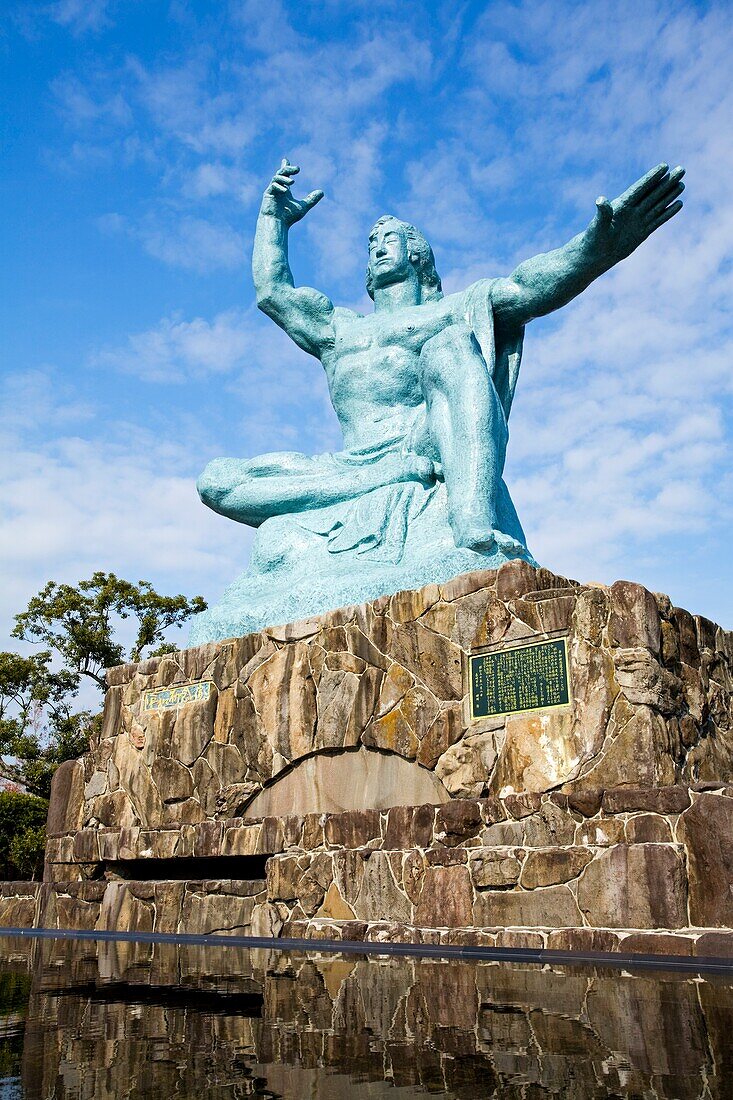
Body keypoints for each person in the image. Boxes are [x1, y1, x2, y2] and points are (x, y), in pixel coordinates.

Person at [198, 157, 684, 561]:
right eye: (370, 244)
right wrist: (272, 222)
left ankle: (470, 519)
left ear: (417, 254)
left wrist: (596, 251)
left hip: (425, 445)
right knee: (217, 480)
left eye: (388, 239)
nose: (376, 246)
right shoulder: (337, 329)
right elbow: (273, 292)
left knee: (450, 346)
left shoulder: (455, 309)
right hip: (353, 466)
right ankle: (377, 480)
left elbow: (529, 283)